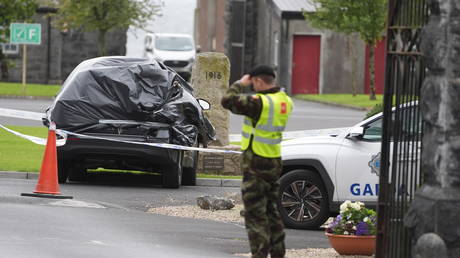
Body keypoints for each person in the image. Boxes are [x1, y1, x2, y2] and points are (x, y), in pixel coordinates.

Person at [221, 65, 293, 258]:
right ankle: (278, 253)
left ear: (259, 81)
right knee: (272, 212)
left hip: (256, 165)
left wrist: (239, 83)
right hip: (273, 162)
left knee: (255, 215)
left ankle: (259, 254)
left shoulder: (260, 102)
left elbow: (227, 101)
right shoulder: (284, 100)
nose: (252, 86)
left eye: (253, 83)